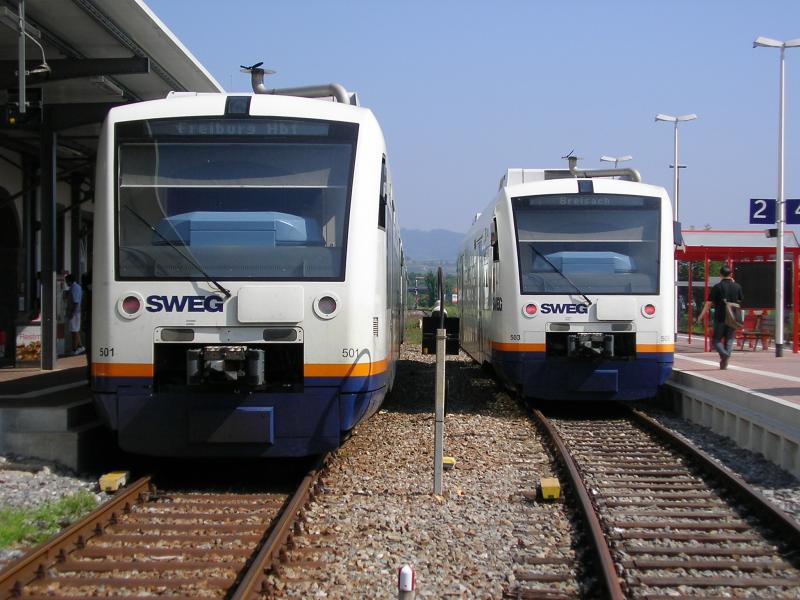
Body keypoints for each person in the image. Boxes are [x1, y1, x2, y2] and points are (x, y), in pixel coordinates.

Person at [696, 265, 743, 370]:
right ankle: (725, 357)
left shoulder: (717, 287)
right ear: (731, 274)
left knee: (716, 340)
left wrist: (701, 316)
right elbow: (740, 300)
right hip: (733, 318)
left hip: (720, 317)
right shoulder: (737, 286)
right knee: (730, 339)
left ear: (720, 275)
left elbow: (708, 304)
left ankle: (724, 354)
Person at [64, 273, 84, 355]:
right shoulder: (76, 287)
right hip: (75, 312)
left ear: (70, 281)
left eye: (66, 281)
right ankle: (80, 346)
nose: (66, 283)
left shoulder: (74, 288)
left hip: (74, 312)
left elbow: (76, 302)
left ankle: (75, 349)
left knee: (74, 331)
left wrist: (72, 313)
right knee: (75, 330)